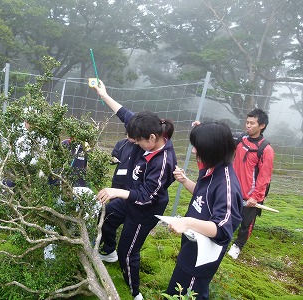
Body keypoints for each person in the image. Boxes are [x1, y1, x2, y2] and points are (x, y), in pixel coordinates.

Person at [93, 81, 177, 300]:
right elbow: (123, 113)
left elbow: (146, 196)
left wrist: (117, 191)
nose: (133, 143)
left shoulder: (163, 162)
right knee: (108, 214)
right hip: (130, 198)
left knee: (128, 253)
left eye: (137, 141)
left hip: (145, 210)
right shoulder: (147, 129)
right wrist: (104, 93)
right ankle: (108, 251)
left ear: (151, 138)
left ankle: (135, 293)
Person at [164, 121, 243, 300]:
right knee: (174, 292)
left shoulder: (226, 185)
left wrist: (187, 222)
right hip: (191, 250)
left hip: (201, 260)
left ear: (212, 150)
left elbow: (222, 230)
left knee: (186, 295)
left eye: (197, 147)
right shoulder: (211, 170)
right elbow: (203, 195)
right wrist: (184, 181)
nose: (193, 151)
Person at [227, 108, 275, 259]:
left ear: (262, 126)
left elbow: (264, 177)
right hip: (233, 189)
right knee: (226, 215)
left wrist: (255, 196)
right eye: (247, 122)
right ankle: (221, 237)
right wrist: (201, 127)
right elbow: (220, 137)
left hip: (251, 196)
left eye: (252, 123)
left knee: (246, 224)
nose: (248, 126)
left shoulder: (266, 150)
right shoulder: (240, 140)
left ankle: (237, 246)